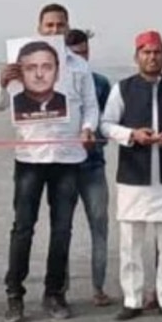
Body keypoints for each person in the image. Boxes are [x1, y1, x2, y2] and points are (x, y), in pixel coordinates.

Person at [0, 3, 99, 322]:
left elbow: (91, 107)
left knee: (62, 229)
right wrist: (1, 82)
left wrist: (88, 127)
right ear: (39, 28)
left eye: (60, 25)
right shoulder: (20, 64)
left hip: (67, 158)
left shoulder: (78, 67)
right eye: (49, 25)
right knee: (23, 228)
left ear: (67, 28)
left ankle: (55, 294)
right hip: (30, 158)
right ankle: (14, 295)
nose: (55, 30)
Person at [101, 31, 162, 321]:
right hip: (133, 175)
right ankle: (132, 299)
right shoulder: (123, 88)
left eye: (157, 52)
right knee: (130, 243)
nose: (152, 57)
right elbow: (106, 125)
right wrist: (131, 134)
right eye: (146, 52)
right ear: (137, 57)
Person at [65, 28, 113, 307]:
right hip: (64, 168)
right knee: (63, 228)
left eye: (84, 52)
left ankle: (98, 287)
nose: (80, 58)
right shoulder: (54, 84)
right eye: (74, 54)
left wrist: (95, 137)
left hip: (93, 166)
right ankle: (61, 288)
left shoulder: (101, 84)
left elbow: (108, 125)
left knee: (99, 226)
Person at [11, 41, 68, 121]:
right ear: (19, 74)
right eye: (30, 68)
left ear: (57, 73)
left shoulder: (67, 103)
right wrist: (2, 85)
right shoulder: (13, 105)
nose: (39, 75)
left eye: (47, 67)